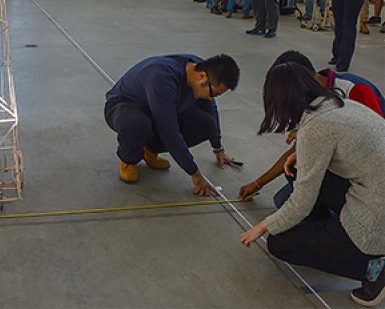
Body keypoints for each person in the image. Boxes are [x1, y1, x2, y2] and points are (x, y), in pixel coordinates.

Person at [240, 62, 385, 308]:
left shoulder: (316, 127)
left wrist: (264, 226)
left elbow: (301, 202)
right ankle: (330, 235)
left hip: (377, 213)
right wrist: (302, 155)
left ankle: (374, 267)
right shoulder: (340, 104)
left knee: (278, 243)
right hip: (375, 188)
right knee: (296, 170)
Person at [238, 50, 385, 203]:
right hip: (343, 158)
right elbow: (298, 150)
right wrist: (258, 183)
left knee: (301, 201)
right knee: (282, 199)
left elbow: (375, 142)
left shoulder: (354, 89)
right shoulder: (308, 99)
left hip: (371, 175)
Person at [104, 54, 240, 194]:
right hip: (125, 106)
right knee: (137, 124)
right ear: (202, 77)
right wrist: (195, 173)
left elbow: (210, 110)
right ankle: (129, 159)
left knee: (207, 125)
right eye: (213, 94)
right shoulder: (162, 78)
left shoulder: (200, 68)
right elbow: (169, 131)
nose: (211, 98)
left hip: (161, 106)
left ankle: (149, 149)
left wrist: (217, 147)